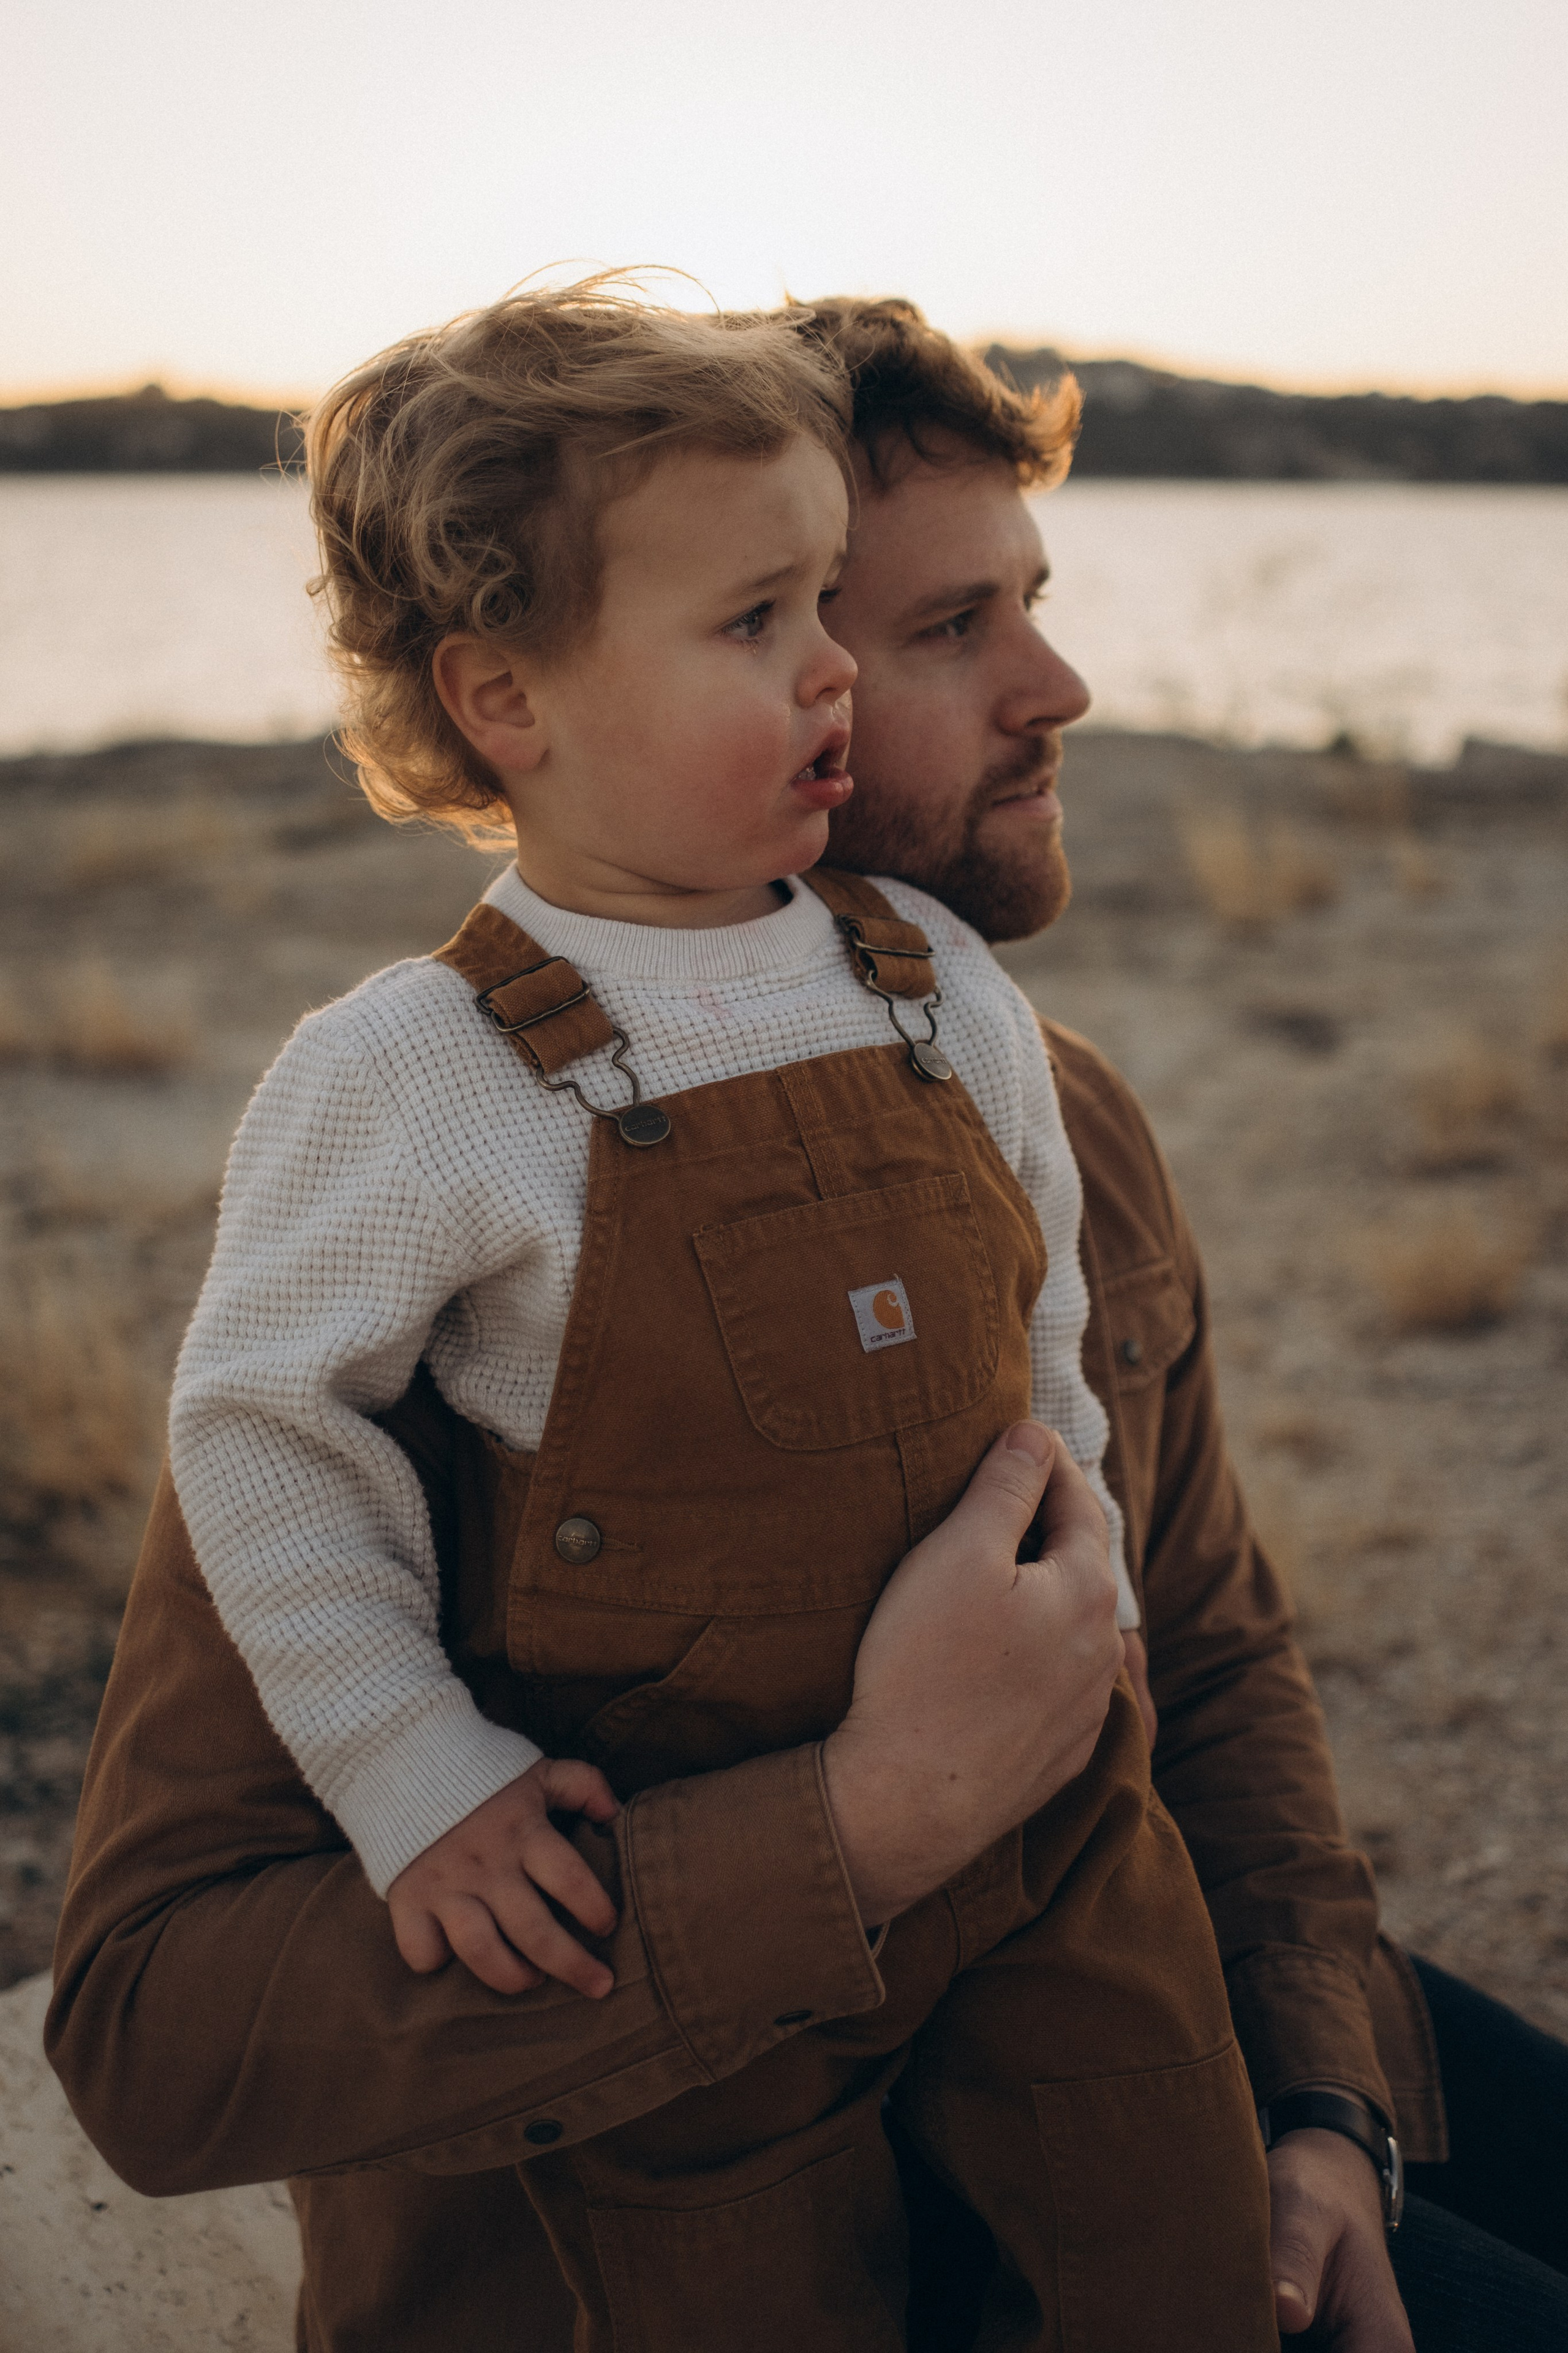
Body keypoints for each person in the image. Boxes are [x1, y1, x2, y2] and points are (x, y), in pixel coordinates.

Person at [48, 289, 1568, 2351]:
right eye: (935, 627)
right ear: (530, 699)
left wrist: (1320, 2101)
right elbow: (150, 2027)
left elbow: (1201, 1655)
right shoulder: (442, 1159)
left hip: (1089, 1996)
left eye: (1022, 602)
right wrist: (860, 1823)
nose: (1062, 684)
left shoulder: (1031, 1082)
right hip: (697, 2169)